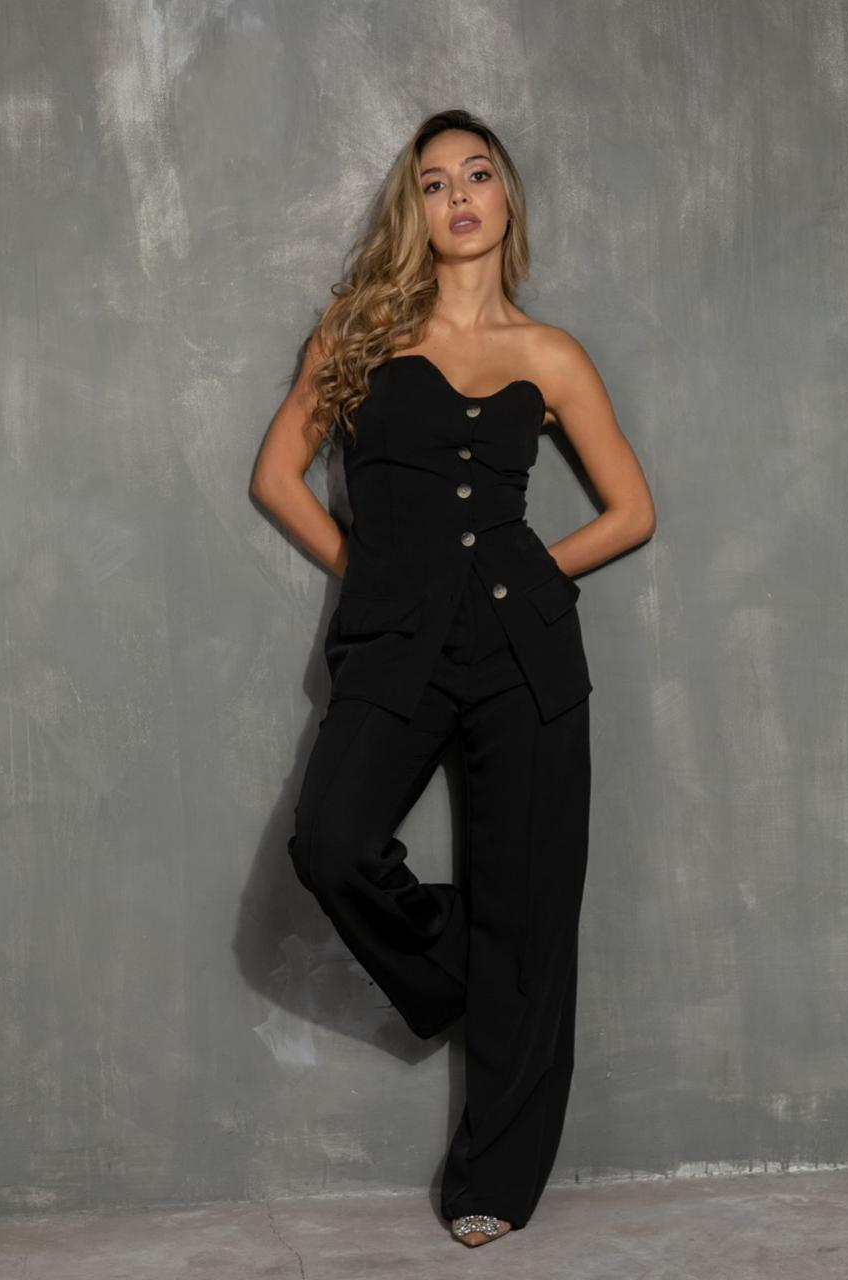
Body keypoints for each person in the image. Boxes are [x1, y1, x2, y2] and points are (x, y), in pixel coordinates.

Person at [253, 108, 655, 1247]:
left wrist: (531, 574)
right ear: (415, 210)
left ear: (507, 199)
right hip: (394, 643)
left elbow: (632, 510)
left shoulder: (550, 354)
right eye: (434, 183)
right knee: (332, 840)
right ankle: (483, 964)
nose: (459, 196)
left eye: (478, 175)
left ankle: (493, 1181)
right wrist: (374, 576)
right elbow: (277, 475)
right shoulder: (358, 329)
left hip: (524, 650)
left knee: (532, 900)